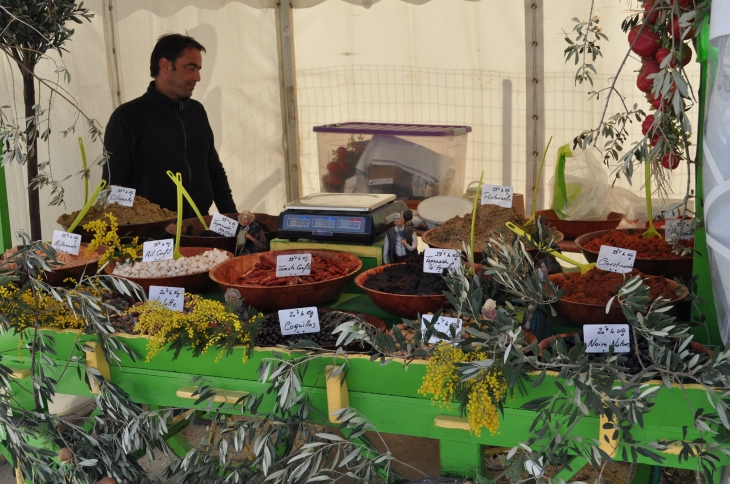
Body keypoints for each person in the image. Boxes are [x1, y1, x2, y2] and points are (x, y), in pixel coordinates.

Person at [102, 33, 236, 218]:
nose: (197, 77)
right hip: (152, 238)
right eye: (190, 68)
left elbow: (213, 170)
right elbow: (114, 184)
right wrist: (136, 230)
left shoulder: (197, 111)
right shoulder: (127, 117)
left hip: (198, 228)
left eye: (198, 69)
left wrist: (233, 219)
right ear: (165, 65)